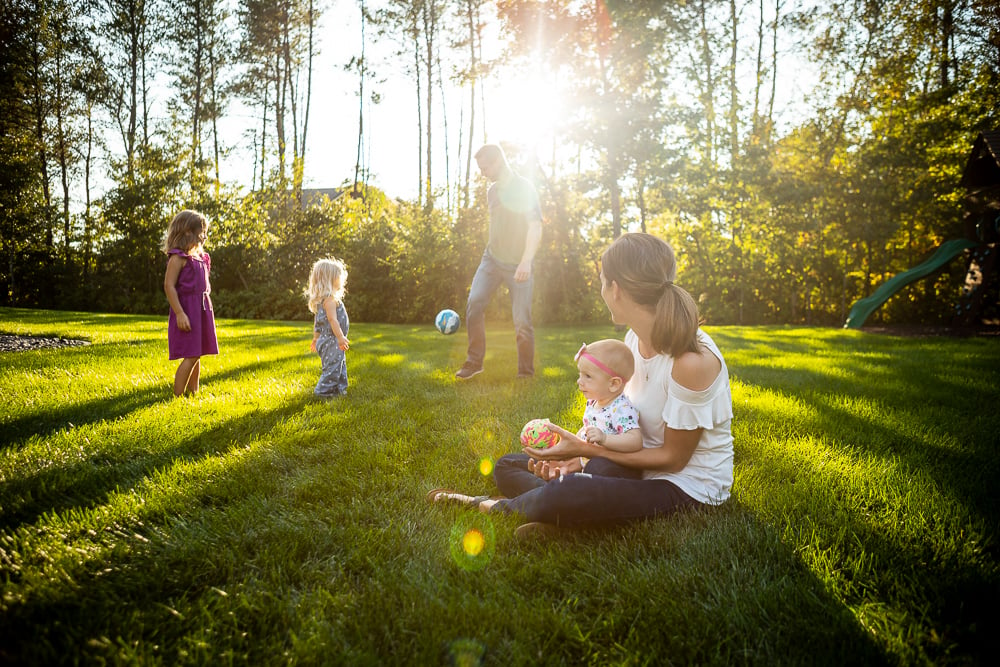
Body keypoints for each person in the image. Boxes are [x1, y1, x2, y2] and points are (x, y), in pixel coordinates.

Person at [429, 232, 734, 538]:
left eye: (602, 280)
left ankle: (496, 506)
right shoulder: (632, 341)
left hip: (685, 487)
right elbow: (621, 420)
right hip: (631, 468)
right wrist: (579, 457)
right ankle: (558, 508)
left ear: (615, 289)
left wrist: (587, 451)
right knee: (508, 465)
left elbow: (674, 459)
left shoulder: (691, 361)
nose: (601, 289)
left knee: (572, 489)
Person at [455, 144, 543, 380]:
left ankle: (525, 372)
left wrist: (526, 261)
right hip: (491, 259)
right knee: (474, 303)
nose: (483, 173)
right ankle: (474, 362)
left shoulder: (524, 188)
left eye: (485, 167)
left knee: (522, 320)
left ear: (497, 162)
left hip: (518, 264)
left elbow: (535, 225)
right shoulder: (492, 191)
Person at [163, 209, 219, 397]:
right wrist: (179, 313)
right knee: (191, 354)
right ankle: (178, 396)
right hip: (187, 311)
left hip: (201, 310)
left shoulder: (201, 258)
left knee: (198, 352)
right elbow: (169, 286)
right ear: (188, 231)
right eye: (201, 231)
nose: (205, 236)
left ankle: (193, 392)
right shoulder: (178, 257)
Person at [569, 339, 642, 453]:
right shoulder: (593, 402)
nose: (579, 381)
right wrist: (574, 443)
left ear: (613, 384)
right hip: (588, 458)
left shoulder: (621, 409)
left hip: (611, 465)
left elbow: (635, 441)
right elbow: (586, 429)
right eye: (580, 374)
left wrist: (605, 438)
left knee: (598, 465)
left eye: (587, 376)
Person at [305, 257, 351, 398]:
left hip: (326, 341)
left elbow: (317, 322)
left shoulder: (321, 301)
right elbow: (332, 320)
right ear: (330, 278)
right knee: (332, 369)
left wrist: (315, 339)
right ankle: (322, 393)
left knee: (339, 366)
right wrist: (340, 337)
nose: (341, 279)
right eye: (338, 275)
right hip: (332, 341)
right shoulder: (330, 300)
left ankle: (339, 391)